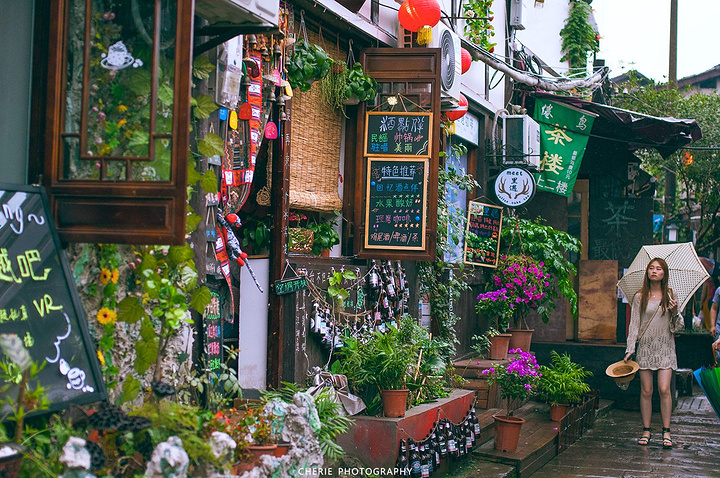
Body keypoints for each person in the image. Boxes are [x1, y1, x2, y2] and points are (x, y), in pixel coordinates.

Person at [624, 258, 684, 449]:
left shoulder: (671, 295)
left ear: (664, 273)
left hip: (666, 348)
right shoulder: (640, 297)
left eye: (658, 269)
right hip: (646, 349)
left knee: (664, 389)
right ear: (647, 272)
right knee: (646, 390)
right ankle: (646, 429)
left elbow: (678, 327)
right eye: (651, 268)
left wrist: (675, 312)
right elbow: (634, 325)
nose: (654, 271)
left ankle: (666, 431)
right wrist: (630, 349)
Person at [709, 281, 720, 362]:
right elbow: (714, 308)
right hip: (719, 327)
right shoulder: (719, 290)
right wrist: (712, 325)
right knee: (717, 355)